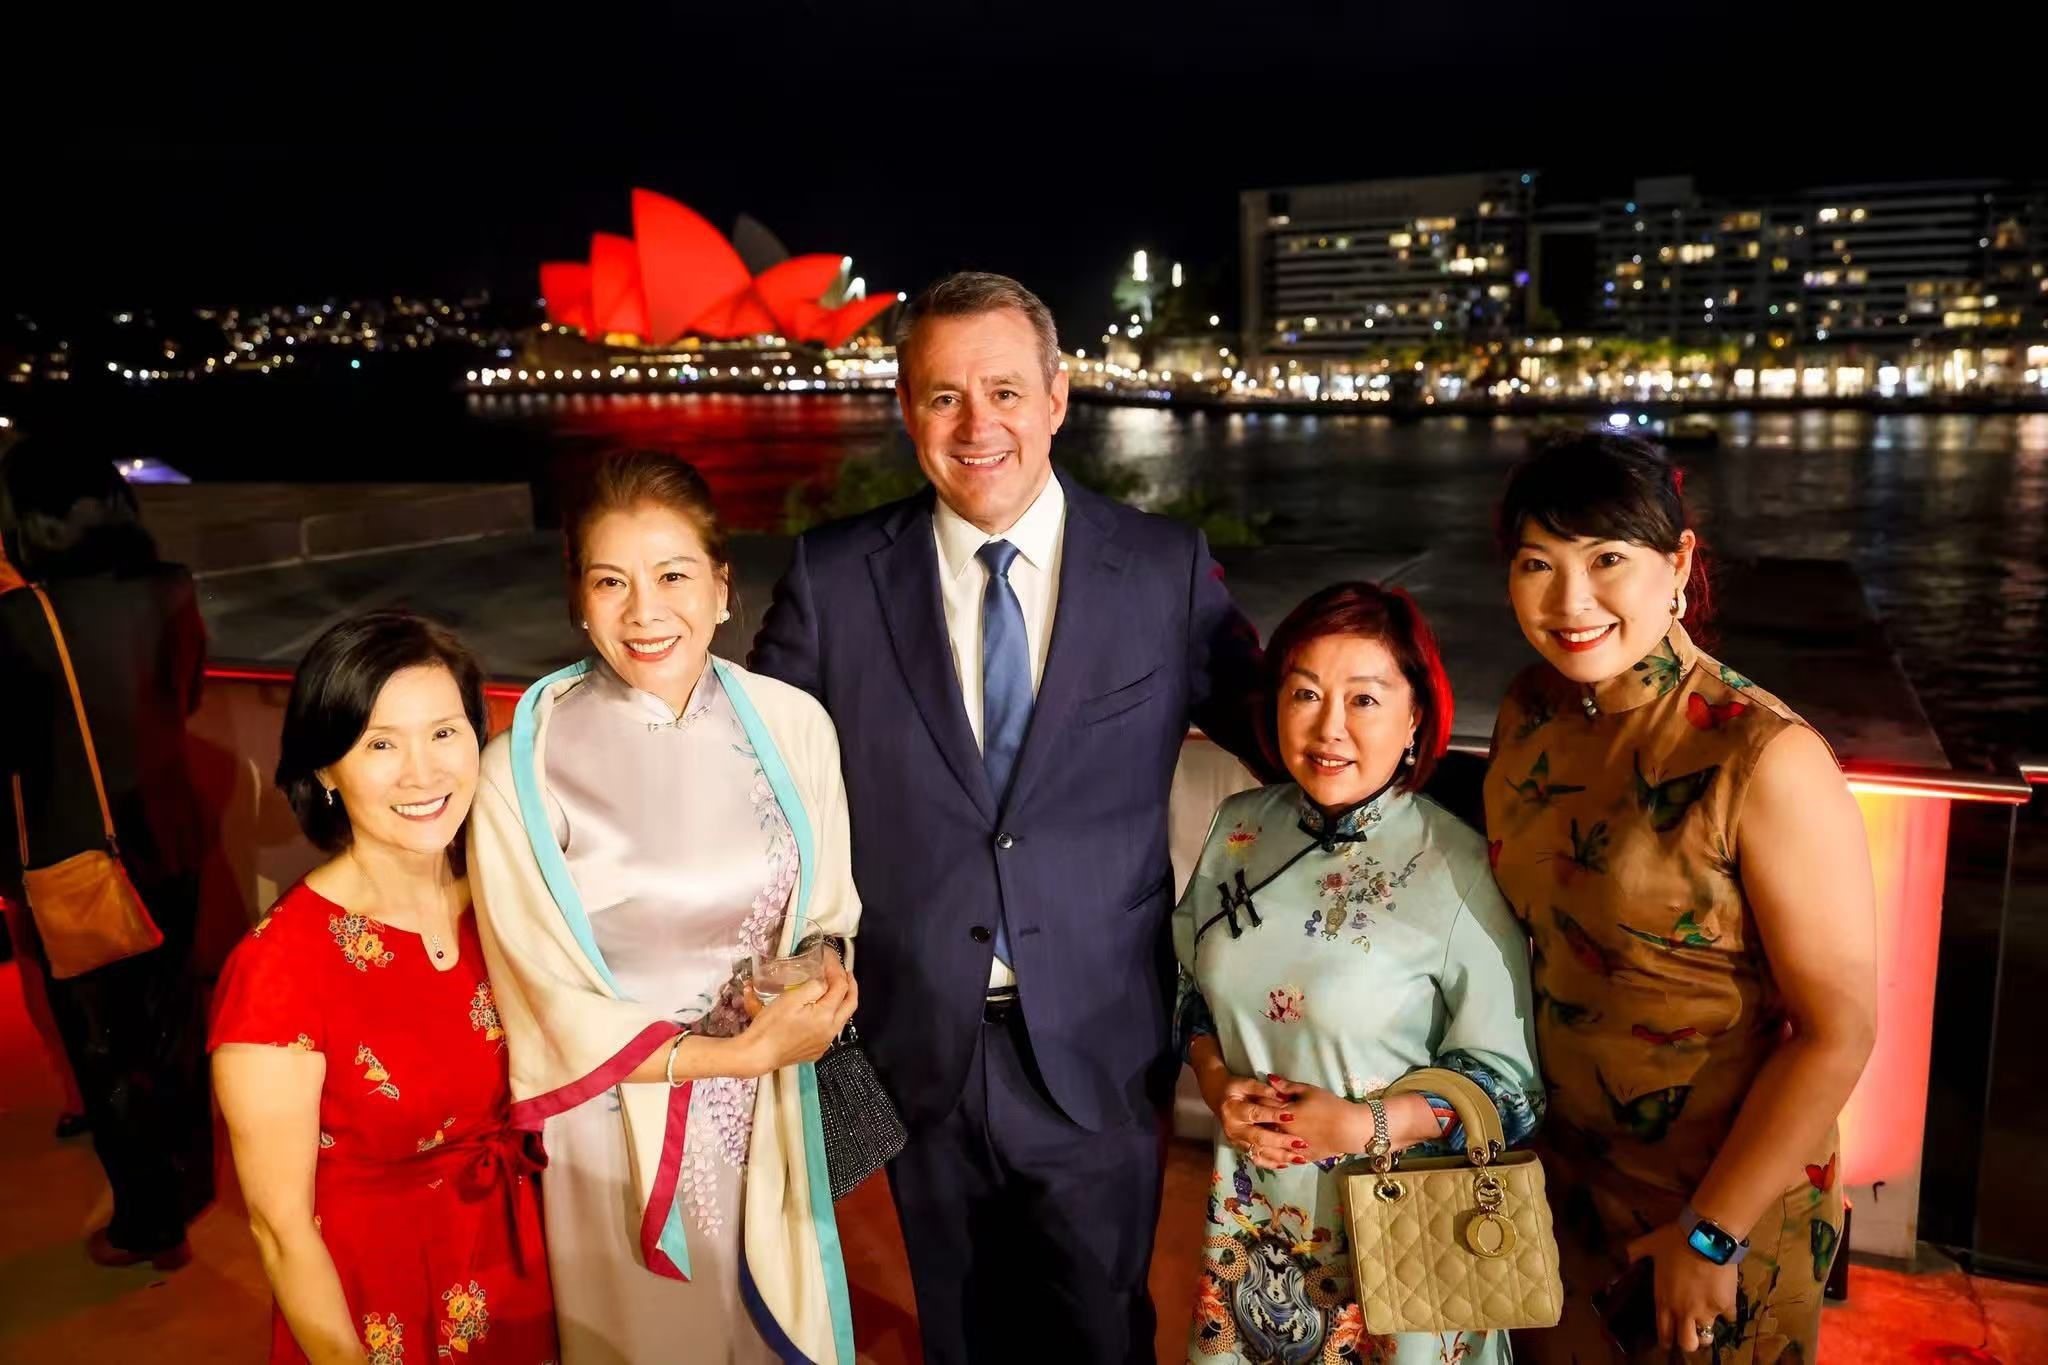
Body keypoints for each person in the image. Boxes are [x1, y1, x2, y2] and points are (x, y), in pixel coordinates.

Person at [750, 271, 1268, 1364]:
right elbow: (749, 782)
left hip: (1100, 1044)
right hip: (915, 1045)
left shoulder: (1160, 569)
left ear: (1057, 396)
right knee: (958, 1333)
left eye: (1003, 391)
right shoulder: (832, 577)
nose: (975, 424)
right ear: (906, 408)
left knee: (1101, 1331)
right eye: (943, 396)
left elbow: (1292, 740)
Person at [1484, 433, 1876, 1362]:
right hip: (1557, 1185)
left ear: (1680, 562)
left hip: (1718, 1202)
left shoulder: (1761, 754)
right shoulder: (1530, 713)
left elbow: (1839, 1030)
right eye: (1538, 564)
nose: (1571, 600)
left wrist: (1714, 1231)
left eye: (1607, 559)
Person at [468, 450, 861, 1365]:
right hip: (618, 1127)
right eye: (612, 581)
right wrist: (731, 1053)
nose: (645, 611)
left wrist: (824, 975)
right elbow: (541, 999)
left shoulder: (793, 724)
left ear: (722, 587)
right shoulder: (522, 768)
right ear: (579, 597)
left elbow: (827, 913)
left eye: (674, 575)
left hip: (771, 1108)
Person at [1173, 581, 1542, 1364]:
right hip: (1254, 1219)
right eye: (1305, 693)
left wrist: (1365, 1125)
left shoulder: (1459, 865)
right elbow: (1189, 991)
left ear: (1415, 717)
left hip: (1406, 1235)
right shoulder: (1239, 831)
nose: (1329, 727)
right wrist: (1216, 1084)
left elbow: (1511, 1090)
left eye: (1364, 699)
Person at [210, 610, 557, 1363]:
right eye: (380, 744)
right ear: (325, 769)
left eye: (444, 732)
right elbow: (281, 1228)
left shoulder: (506, 898)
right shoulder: (279, 970)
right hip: (387, 1305)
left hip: (530, 1267)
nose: (422, 773)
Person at [0, 433, 212, 1268]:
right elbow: (186, 695)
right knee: (172, 1020)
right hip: (173, 835)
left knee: (103, 1044)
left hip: (75, 856)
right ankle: (190, 1181)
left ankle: (147, 1221)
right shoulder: (172, 587)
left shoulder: (19, 618)